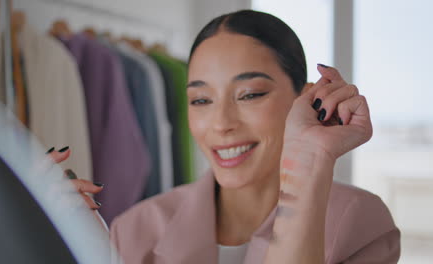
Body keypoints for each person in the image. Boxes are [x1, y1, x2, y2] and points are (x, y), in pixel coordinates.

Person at [48, 10, 400, 264]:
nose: (221, 123)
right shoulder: (133, 229)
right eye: (201, 100)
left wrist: (308, 162)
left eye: (249, 94)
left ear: (306, 97)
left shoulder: (361, 223)